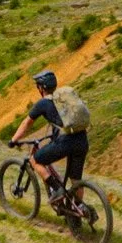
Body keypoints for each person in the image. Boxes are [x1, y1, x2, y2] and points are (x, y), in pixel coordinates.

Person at [9, 69, 89, 201]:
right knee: (76, 180)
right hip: (82, 139)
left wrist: (14, 140)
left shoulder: (43, 103)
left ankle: (57, 189)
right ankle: (80, 210)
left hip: (66, 142)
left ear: (41, 88)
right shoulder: (64, 97)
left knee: (34, 160)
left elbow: (26, 123)